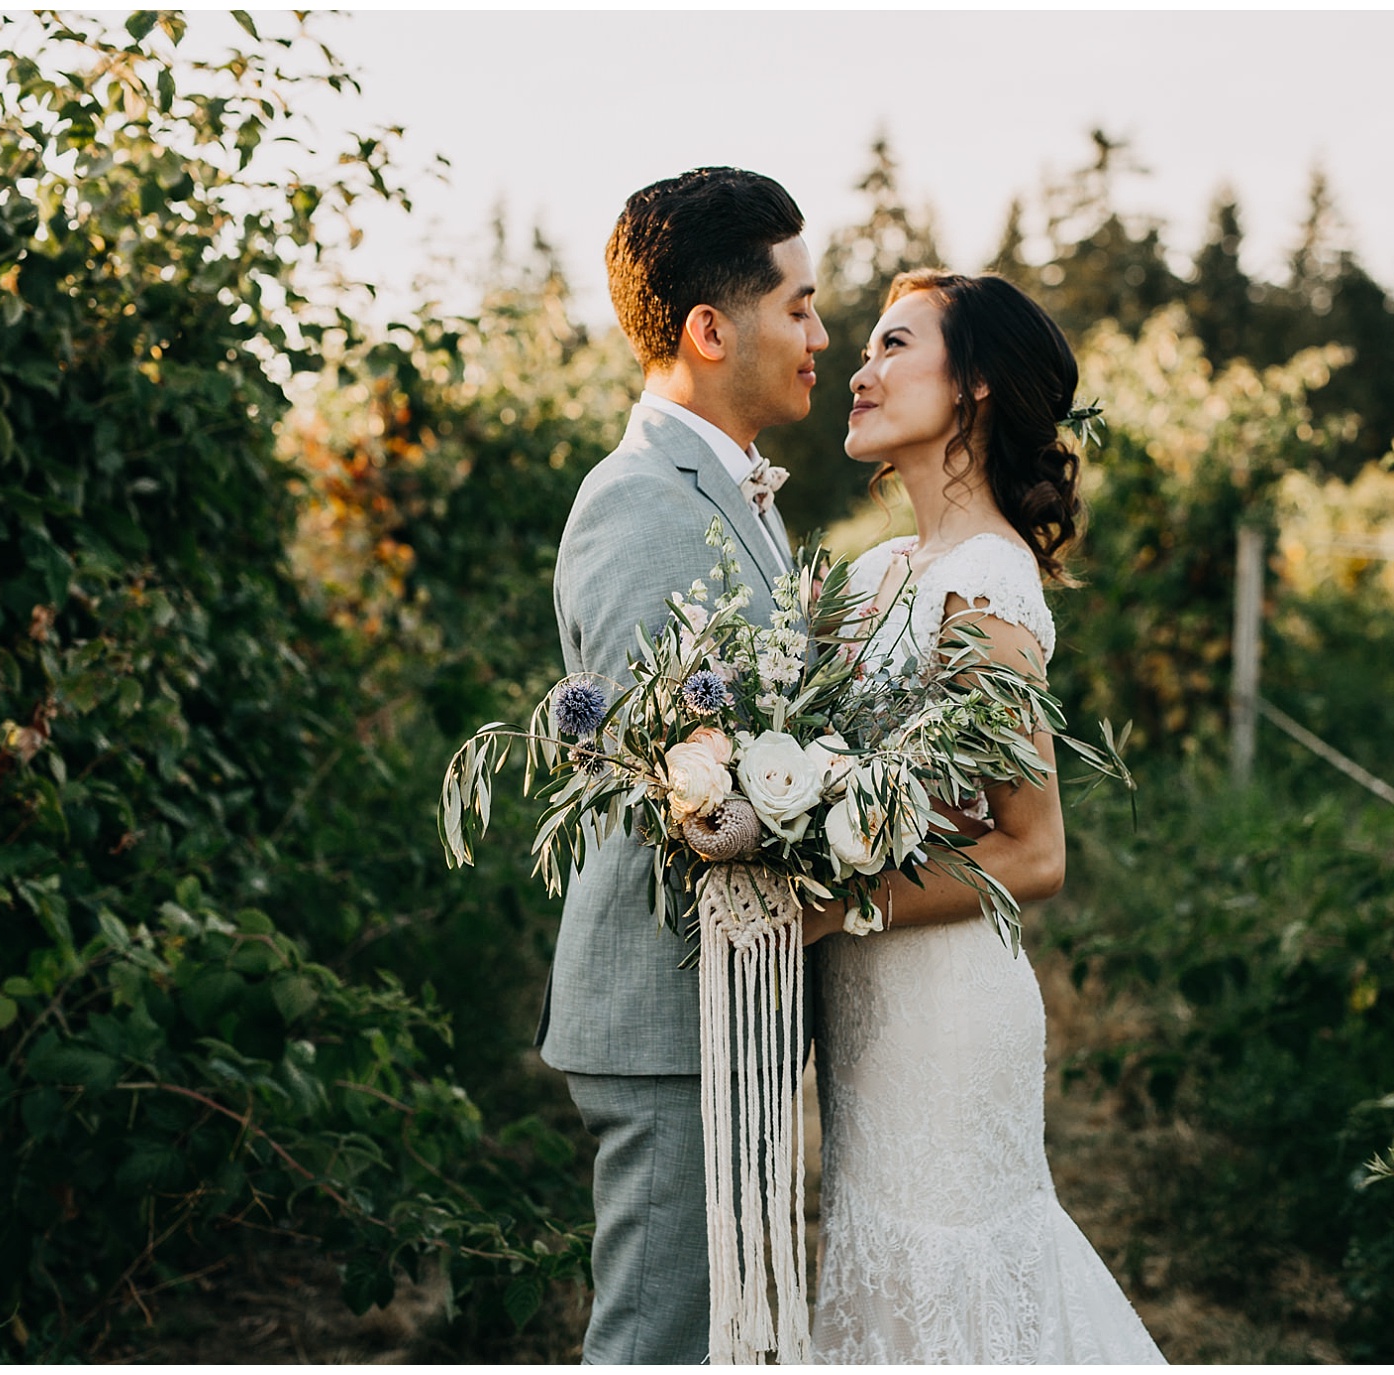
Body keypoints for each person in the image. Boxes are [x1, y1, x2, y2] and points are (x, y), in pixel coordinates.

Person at [799, 270, 1167, 1364]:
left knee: (951, 1287)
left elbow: (1033, 849)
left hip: (946, 1014)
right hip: (863, 1014)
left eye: (892, 346)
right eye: (862, 349)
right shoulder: (869, 578)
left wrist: (829, 911)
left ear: (972, 389)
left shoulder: (987, 582)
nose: (858, 372)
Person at [541, 166, 828, 1365]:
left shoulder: (733, 493)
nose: (821, 336)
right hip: (669, 1019)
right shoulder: (637, 501)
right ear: (712, 330)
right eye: (799, 306)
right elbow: (670, 774)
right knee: (653, 1346)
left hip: (729, 1007)